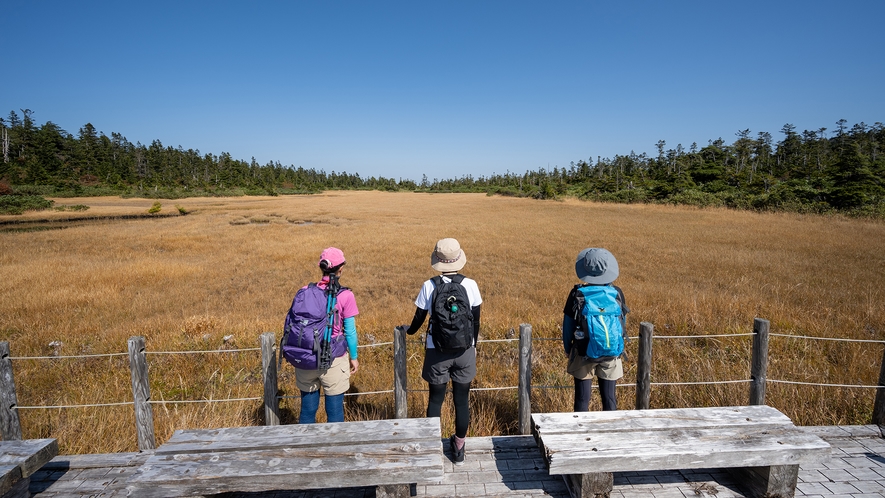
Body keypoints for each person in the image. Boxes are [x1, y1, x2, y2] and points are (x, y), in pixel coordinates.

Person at [398, 238, 482, 464]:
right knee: (461, 401)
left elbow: (418, 319)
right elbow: (475, 322)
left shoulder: (430, 285)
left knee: (435, 401)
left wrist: (409, 331)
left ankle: (433, 447)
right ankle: (459, 448)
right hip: (465, 351)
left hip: (437, 351)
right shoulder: (470, 285)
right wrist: (472, 346)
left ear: (438, 260)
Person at [287, 247, 360, 423]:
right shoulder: (346, 296)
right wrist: (354, 357)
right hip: (333, 359)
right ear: (340, 268)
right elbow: (350, 331)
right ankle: (334, 450)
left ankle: (306, 447)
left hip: (306, 357)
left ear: (322, 267)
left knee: (307, 411)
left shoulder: (304, 290)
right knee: (334, 413)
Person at [561, 248, 628, 412]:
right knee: (610, 399)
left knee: (582, 399)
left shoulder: (577, 293)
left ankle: (581, 433)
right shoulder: (616, 292)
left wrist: (568, 349)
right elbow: (622, 323)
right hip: (611, 349)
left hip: (583, 350)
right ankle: (610, 434)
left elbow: (568, 325)